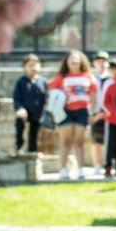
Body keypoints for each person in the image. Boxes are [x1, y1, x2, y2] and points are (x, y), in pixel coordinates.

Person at [49, 50, 97, 180]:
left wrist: (92, 113)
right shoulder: (61, 76)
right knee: (65, 140)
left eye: (76, 58)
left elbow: (93, 95)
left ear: (81, 61)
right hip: (65, 112)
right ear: (66, 61)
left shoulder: (88, 76)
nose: (73, 61)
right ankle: (63, 169)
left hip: (82, 111)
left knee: (79, 141)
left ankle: (80, 169)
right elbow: (52, 91)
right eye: (70, 58)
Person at [12, 53, 47, 154]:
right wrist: (20, 108)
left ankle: (32, 151)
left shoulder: (43, 81)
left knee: (34, 132)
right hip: (25, 111)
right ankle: (19, 146)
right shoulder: (21, 82)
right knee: (20, 121)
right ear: (25, 67)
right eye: (30, 65)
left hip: (38, 113)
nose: (33, 68)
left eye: (35, 65)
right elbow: (17, 98)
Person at [102, 58, 116, 178]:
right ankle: (108, 167)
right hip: (112, 120)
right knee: (110, 144)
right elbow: (103, 102)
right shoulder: (108, 83)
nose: (115, 71)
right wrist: (112, 113)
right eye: (113, 69)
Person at [90, 51, 110, 174]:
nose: (101, 64)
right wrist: (93, 112)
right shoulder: (91, 78)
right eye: (98, 61)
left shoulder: (111, 78)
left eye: (104, 61)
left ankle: (108, 164)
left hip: (109, 114)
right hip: (96, 113)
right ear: (94, 63)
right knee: (96, 140)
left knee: (109, 140)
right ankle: (97, 165)